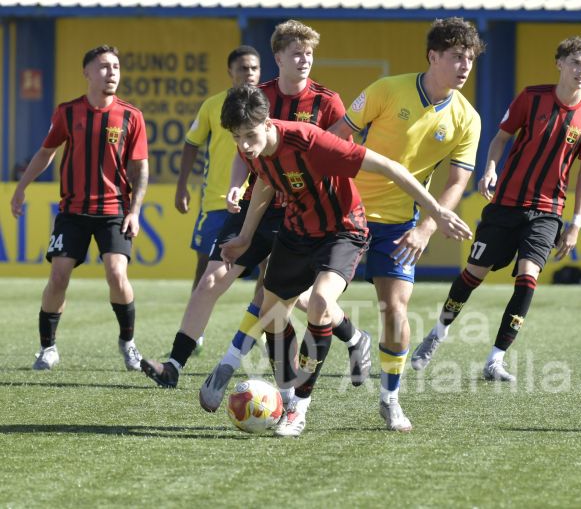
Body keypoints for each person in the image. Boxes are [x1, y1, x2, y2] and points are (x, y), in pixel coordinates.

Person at [141, 85, 472, 437]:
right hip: (297, 231)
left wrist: (436, 212)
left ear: (267, 123)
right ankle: (290, 392)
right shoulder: (252, 149)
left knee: (319, 302)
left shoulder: (311, 142)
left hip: (343, 229)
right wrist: (245, 236)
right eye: (237, 138)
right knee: (271, 312)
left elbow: (391, 167)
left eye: (250, 135)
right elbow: (267, 184)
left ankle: (299, 408)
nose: (245, 145)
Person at [140, 21, 370, 410]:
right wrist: (238, 185)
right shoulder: (256, 98)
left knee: (280, 296)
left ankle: (282, 369)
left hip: (304, 212)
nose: (304, 59)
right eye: (296, 53)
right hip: (259, 206)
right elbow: (241, 154)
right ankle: (175, 364)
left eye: (308, 53)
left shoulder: (327, 102)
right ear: (277, 58)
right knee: (212, 278)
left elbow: (335, 155)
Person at [410, 36, 581, 381]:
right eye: (575, 63)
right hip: (505, 205)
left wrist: (575, 223)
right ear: (560, 63)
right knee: (473, 274)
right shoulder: (531, 98)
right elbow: (502, 136)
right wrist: (490, 168)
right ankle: (437, 333)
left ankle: (495, 360)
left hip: (547, 212)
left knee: (527, 279)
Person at [324, 17, 485, 431]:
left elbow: (457, 183)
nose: (464, 66)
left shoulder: (468, 119)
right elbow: (337, 138)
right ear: (433, 56)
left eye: (469, 59)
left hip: (399, 224)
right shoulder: (386, 89)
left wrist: (426, 228)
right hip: (346, 212)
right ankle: (345, 346)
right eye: (456, 57)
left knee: (395, 309)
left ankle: (390, 399)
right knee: (310, 301)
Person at [10, 45, 149, 371]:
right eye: (103, 66)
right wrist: (21, 188)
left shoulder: (132, 116)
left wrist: (135, 211)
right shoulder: (68, 112)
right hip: (72, 212)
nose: (112, 72)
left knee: (117, 274)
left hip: (114, 210)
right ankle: (48, 348)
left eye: (116, 66)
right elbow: (46, 152)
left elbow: (140, 168)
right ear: (87, 73)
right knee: (58, 277)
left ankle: (128, 343)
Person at [176, 45, 261, 294]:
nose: (250, 73)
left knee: (270, 267)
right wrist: (182, 186)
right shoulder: (213, 105)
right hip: (217, 201)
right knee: (205, 264)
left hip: (260, 200)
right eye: (243, 68)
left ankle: (266, 329)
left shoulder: (267, 104)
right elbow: (191, 143)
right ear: (230, 71)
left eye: (254, 68)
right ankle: (193, 331)